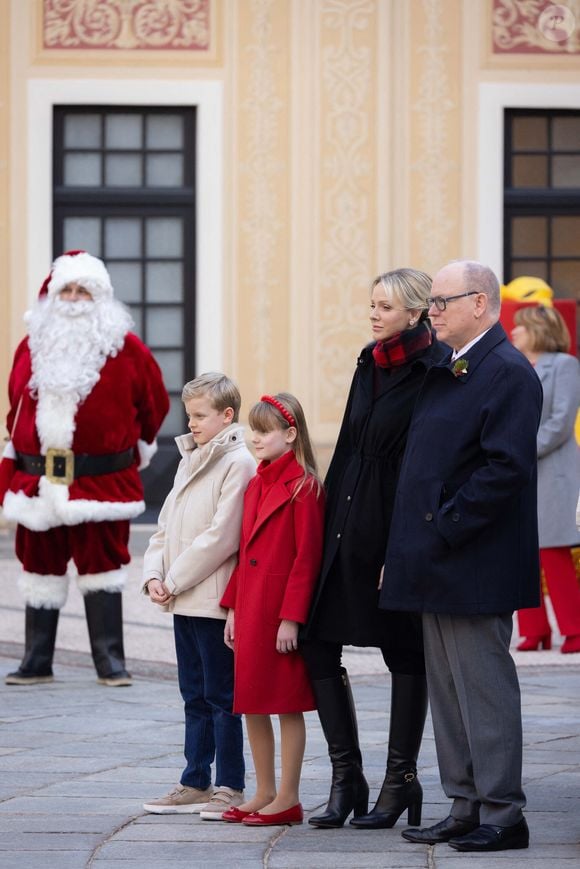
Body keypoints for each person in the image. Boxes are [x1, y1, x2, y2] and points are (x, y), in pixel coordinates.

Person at [380, 260, 542, 853]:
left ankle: (503, 812)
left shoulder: (505, 371)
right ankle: (465, 803)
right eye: (432, 304)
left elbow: (506, 468)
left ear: (481, 303)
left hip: (475, 560)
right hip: (438, 559)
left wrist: (446, 524)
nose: (434, 312)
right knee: (448, 691)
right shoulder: (448, 367)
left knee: (484, 689)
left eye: (444, 301)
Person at [301, 268, 447, 830]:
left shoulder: (436, 369)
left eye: (384, 306)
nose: (373, 314)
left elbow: (426, 465)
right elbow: (347, 443)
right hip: (346, 518)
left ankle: (399, 780)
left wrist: (405, 547)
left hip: (395, 526)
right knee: (317, 641)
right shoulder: (370, 360)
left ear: (415, 313)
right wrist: (321, 520)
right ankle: (347, 779)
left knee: (403, 651)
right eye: (372, 305)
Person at [1, 250, 169, 687]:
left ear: (101, 300)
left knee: (104, 569)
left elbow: (154, 405)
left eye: (84, 291)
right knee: (39, 567)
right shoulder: (30, 346)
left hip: (100, 481)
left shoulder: (128, 350)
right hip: (38, 479)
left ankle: (110, 660)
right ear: (52, 296)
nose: (74, 300)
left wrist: (137, 447)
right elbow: (15, 405)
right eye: (67, 290)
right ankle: (36, 660)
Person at [141, 373, 256, 818]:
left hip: (210, 599)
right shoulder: (190, 459)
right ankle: (194, 780)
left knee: (222, 697)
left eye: (199, 416)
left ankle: (230, 784)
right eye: (189, 415)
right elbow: (166, 526)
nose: (191, 424)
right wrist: (154, 573)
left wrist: (175, 579)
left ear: (227, 415)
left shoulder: (238, 463)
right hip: (182, 599)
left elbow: (221, 537)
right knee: (193, 694)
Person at [219, 393, 325, 827]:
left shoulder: (305, 487)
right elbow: (245, 552)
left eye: (264, 431)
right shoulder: (256, 483)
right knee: (252, 703)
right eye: (252, 430)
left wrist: (291, 618)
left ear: (290, 434)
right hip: (251, 608)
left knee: (285, 704)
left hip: (279, 614)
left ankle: (288, 797)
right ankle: (262, 790)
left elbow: (307, 559)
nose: (255, 438)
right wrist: (232, 609)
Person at [511, 305, 580, 654]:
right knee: (523, 553)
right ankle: (534, 630)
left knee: (553, 552)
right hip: (520, 473)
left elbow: (560, 422)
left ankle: (574, 629)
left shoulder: (565, 366)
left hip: (552, 471)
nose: (513, 332)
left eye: (520, 328)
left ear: (538, 331)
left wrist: (517, 450)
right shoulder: (517, 366)